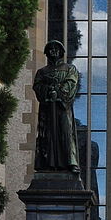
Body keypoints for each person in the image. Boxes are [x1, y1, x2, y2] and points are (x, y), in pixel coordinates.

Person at [33, 40, 81, 174]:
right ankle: (46, 163)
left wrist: (58, 92)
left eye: (56, 49)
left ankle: (70, 162)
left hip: (62, 107)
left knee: (66, 132)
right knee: (47, 135)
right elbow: (37, 86)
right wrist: (48, 91)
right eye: (51, 49)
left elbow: (71, 83)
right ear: (47, 53)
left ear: (61, 52)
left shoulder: (70, 69)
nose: (53, 51)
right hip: (47, 109)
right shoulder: (42, 72)